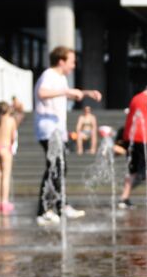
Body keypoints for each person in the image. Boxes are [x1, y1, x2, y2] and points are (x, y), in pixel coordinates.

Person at [34, 46, 101, 226]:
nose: (73, 65)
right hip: (48, 130)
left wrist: (86, 93)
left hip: (58, 132)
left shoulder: (60, 78)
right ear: (61, 61)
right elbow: (42, 93)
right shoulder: (49, 75)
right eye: (72, 61)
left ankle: (60, 205)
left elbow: (69, 95)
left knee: (60, 168)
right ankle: (44, 210)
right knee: (54, 168)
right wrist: (66, 92)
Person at [0, 101, 21, 213]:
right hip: (5, 148)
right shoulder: (11, 120)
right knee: (6, 177)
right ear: (7, 109)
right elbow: (13, 136)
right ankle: (4, 202)